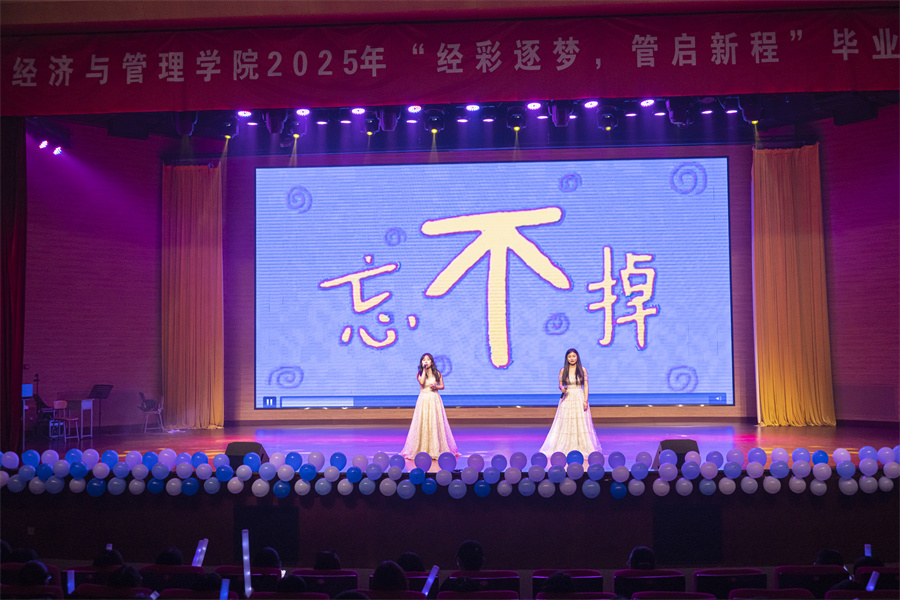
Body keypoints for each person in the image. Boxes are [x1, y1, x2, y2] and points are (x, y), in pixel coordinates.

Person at [539, 348, 601, 456]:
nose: (572, 358)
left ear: (577, 357)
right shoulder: (563, 370)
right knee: (565, 422)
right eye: (569, 357)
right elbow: (560, 384)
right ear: (566, 358)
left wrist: (585, 400)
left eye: (574, 356)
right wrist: (562, 388)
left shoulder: (582, 370)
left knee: (580, 422)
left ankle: (581, 446)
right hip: (567, 398)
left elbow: (586, 386)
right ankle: (565, 446)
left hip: (579, 397)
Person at [400, 353, 460, 459]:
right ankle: (422, 449)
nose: (426, 361)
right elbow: (422, 382)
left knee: (434, 422)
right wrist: (424, 370)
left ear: (432, 362)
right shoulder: (419, 373)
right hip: (424, 399)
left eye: (428, 360)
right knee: (423, 422)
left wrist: (436, 386)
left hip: (434, 399)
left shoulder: (437, 373)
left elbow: (442, 386)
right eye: (424, 360)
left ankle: (435, 448)